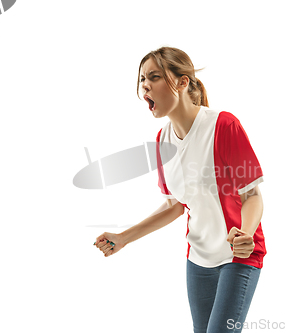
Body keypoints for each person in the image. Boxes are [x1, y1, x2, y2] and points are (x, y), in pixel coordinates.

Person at [94, 46, 266, 333]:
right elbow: (175, 205)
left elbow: (252, 195)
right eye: (142, 80)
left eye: (154, 76)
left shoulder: (223, 126)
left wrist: (246, 233)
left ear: (183, 81)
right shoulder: (163, 141)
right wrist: (124, 238)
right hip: (198, 260)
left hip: (238, 257)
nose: (145, 85)